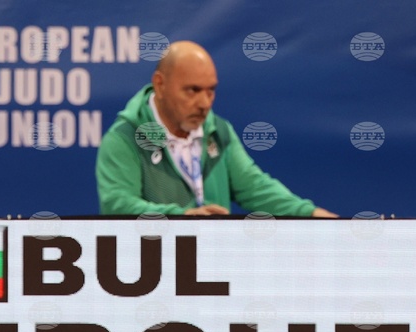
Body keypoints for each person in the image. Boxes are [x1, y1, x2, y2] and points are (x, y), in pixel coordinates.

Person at [96, 41, 336, 218]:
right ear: (160, 84)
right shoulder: (125, 138)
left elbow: (255, 188)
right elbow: (118, 206)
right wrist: (183, 217)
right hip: (156, 263)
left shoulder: (218, 131)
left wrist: (310, 214)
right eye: (192, 90)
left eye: (210, 90)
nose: (204, 103)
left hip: (213, 261)